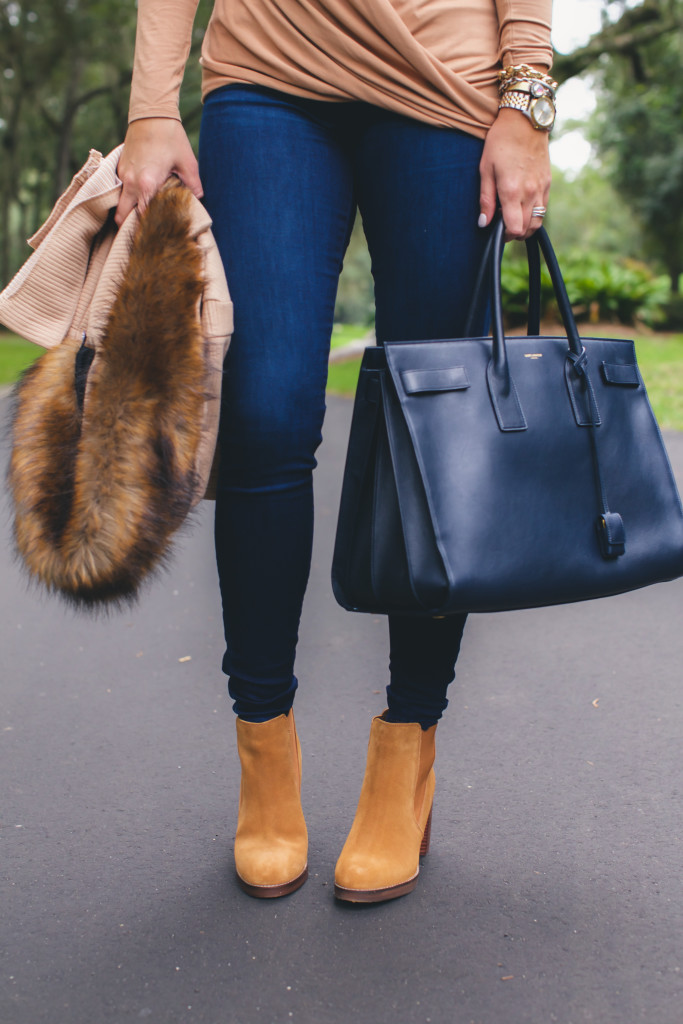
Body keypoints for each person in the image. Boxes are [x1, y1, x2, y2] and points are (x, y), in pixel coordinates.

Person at [116, 0, 554, 903]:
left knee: (436, 433)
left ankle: (407, 749)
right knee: (266, 417)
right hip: (270, 71)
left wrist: (526, 98)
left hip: (443, 84)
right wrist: (151, 109)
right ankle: (262, 749)